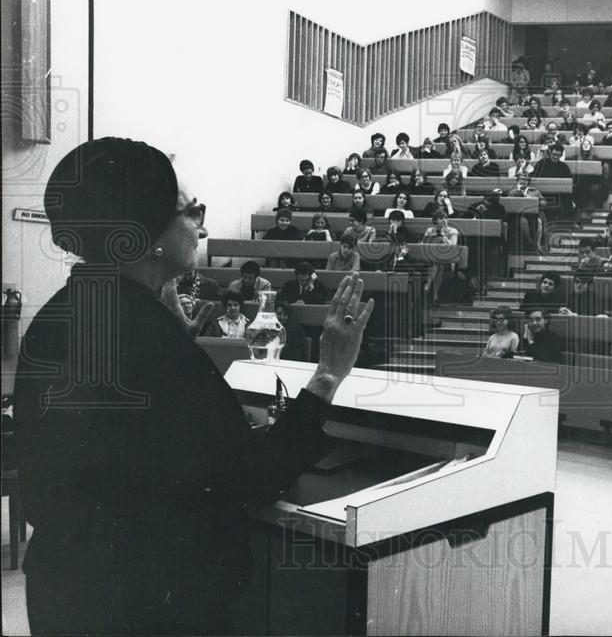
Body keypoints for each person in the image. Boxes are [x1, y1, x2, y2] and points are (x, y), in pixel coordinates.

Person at [16, 137, 374, 635]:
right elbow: (253, 478)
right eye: (193, 210)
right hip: (153, 606)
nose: (203, 225)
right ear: (148, 231)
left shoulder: (57, 316)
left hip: (65, 589)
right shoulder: (148, 338)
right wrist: (329, 373)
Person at [421, 209, 460, 303]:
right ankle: (435, 295)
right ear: (435, 220)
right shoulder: (430, 230)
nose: (444, 220)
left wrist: (443, 235)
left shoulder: (453, 231)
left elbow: (452, 247)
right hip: (432, 257)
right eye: (441, 218)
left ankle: (428, 285)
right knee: (438, 264)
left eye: (445, 218)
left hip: (448, 257)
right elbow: (423, 244)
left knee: (437, 262)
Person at [274, 298, 310, 362]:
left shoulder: (294, 330)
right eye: (279, 314)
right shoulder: (268, 328)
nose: (282, 317)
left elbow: (296, 356)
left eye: (285, 315)